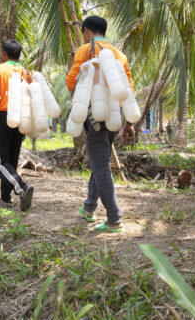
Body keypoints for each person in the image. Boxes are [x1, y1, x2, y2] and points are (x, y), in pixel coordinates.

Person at [66, 16, 136, 233]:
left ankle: (114, 218)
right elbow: (128, 89)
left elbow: (71, 82)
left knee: (99, 165)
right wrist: (130, 124)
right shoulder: (119, 54)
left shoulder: (85, 49)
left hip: (94, 115)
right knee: (101, 160)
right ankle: (89, 208)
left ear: (86, 31)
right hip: (115, 113)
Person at [0, 39, 34, 211]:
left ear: (4, 54)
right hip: (21, 117)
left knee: (0, 162)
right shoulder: (26, 72)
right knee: (11, 160)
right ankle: (5, 199)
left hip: (3, 115)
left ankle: (22, 188)